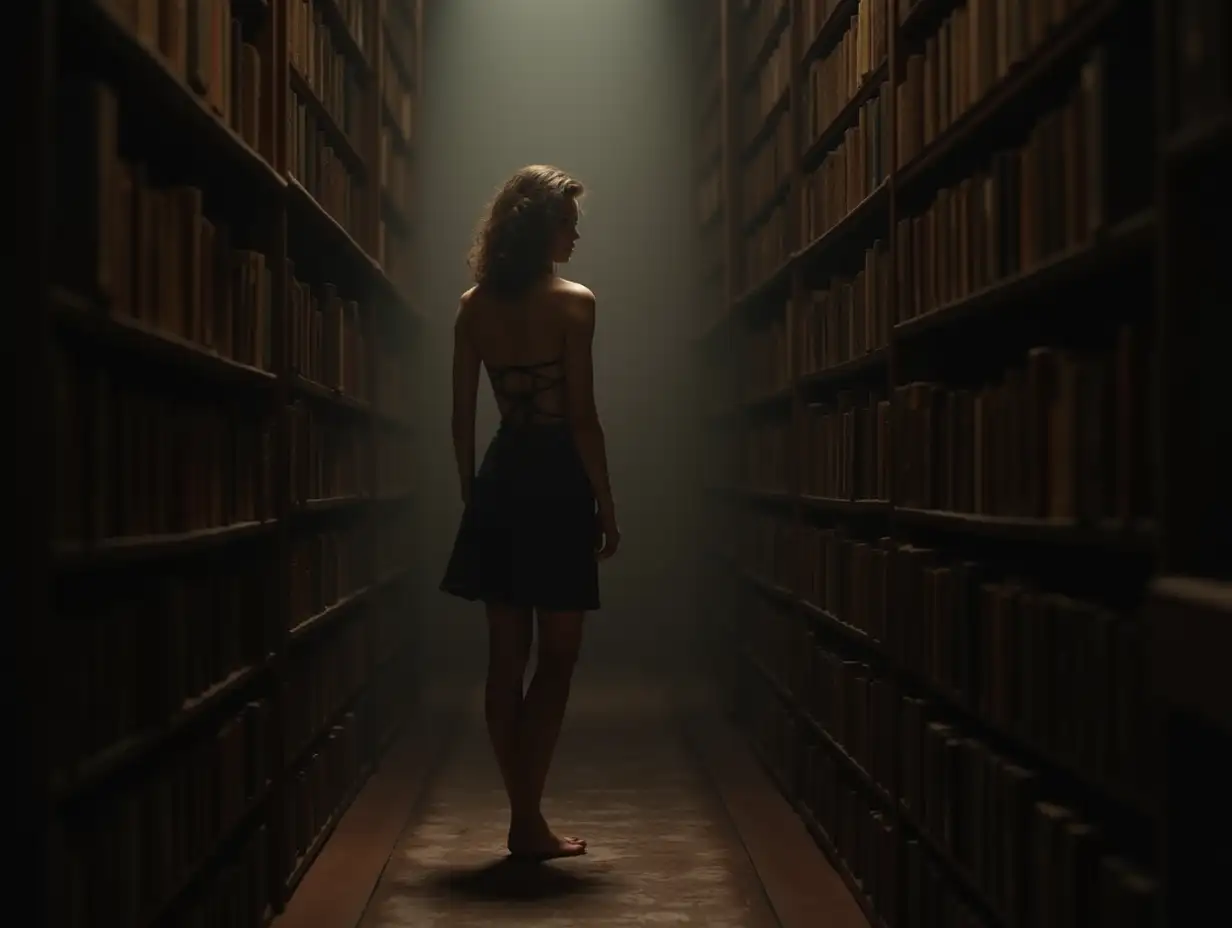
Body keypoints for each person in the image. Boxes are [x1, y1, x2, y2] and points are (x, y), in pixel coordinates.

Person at [440, 165, 620, 862]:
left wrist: (470, 494)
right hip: (557, 481)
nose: (576, 234)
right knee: (560, 655)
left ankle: (523, 818)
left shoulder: (472, 306)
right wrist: (607, 503)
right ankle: (525, 821)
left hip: (501, 477)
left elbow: (461, 416)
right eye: (567, 221)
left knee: (503, 657)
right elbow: (582, 417)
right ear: (540, 227)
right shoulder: (576, 304)